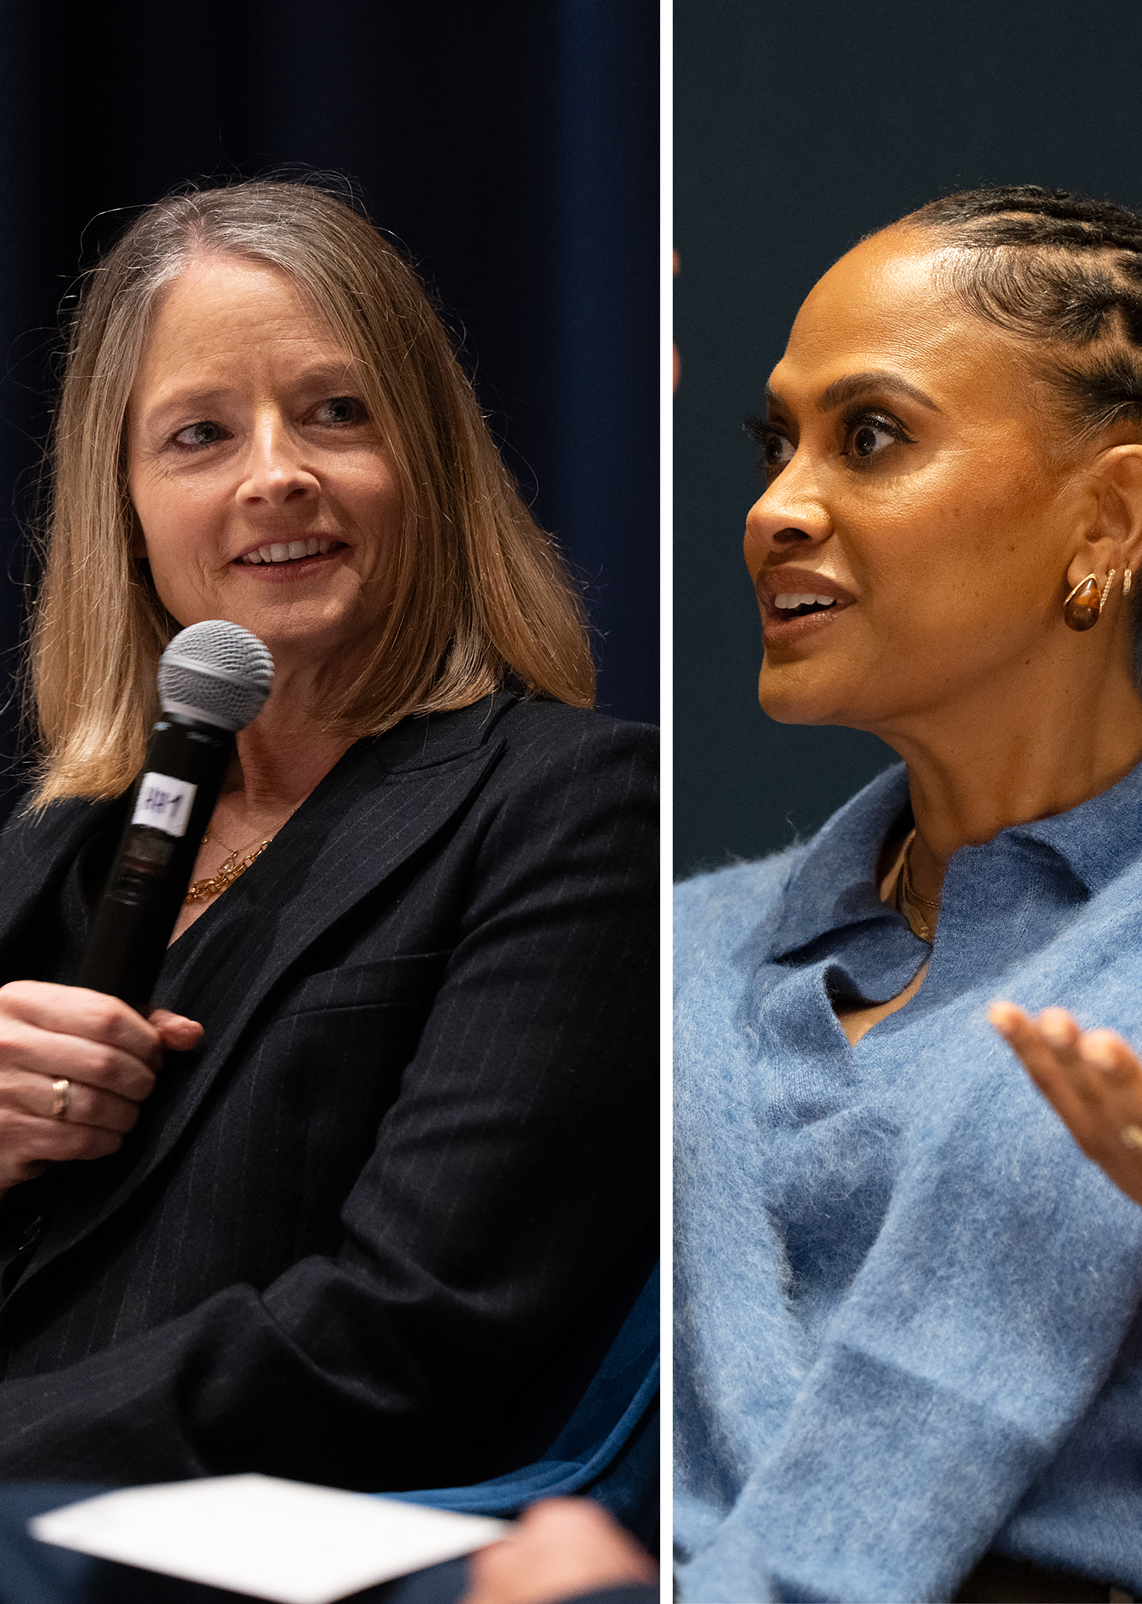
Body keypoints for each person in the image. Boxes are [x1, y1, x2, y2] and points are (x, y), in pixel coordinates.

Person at [671, 186, 1142, 1602]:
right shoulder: (681, 947)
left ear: (1108, 517)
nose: (775, 509)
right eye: (776, 442)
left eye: (873, 436)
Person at [0, 182, 657, 1488]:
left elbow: (402, 1338)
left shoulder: (571, 807)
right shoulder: (59, 846)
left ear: (429, 461)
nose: (276, 472)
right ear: (122, 510)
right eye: (199, 432)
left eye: (335, 412)